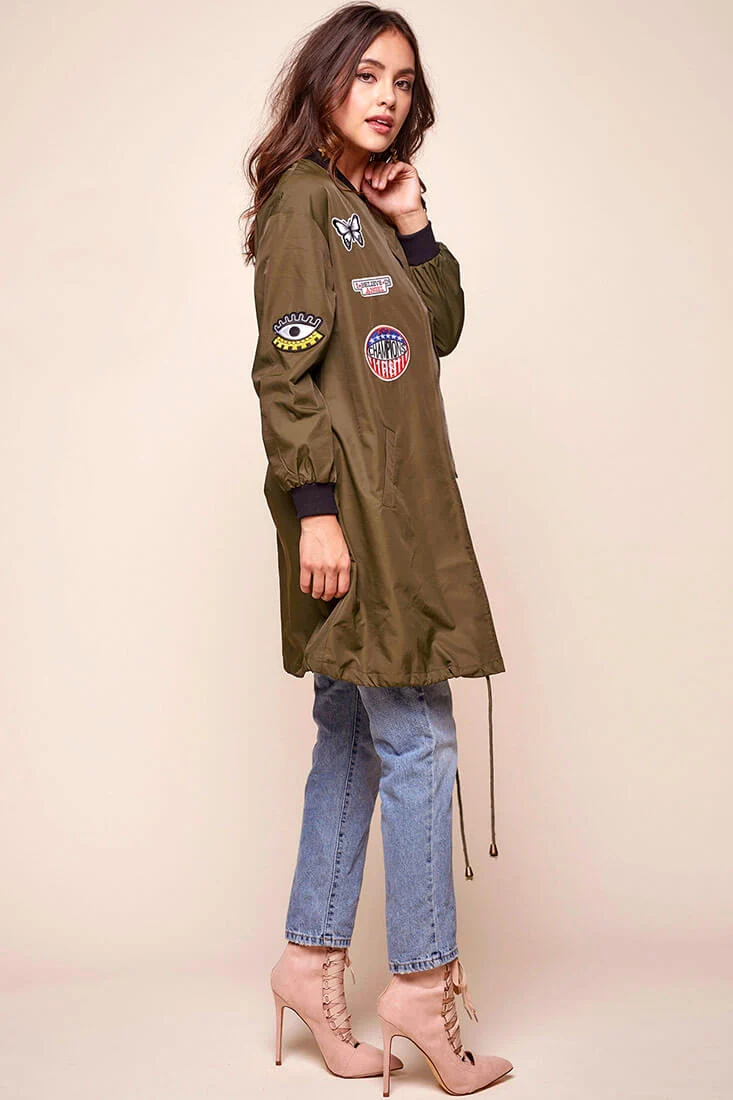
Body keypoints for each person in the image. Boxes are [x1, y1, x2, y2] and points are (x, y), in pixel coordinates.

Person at [241, 3, 513, 1093]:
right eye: (366, 74)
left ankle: (307, 962)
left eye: (401, 80)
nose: (387, 96)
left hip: (400, 516)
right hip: (354, 521)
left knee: (353, 737)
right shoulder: (303, 204)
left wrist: (413, 221)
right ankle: (421, 981)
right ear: (324, 82)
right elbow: (282, 369)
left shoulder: (364, 205)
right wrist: (315, 507)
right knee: (419, 736)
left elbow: (436, 330)